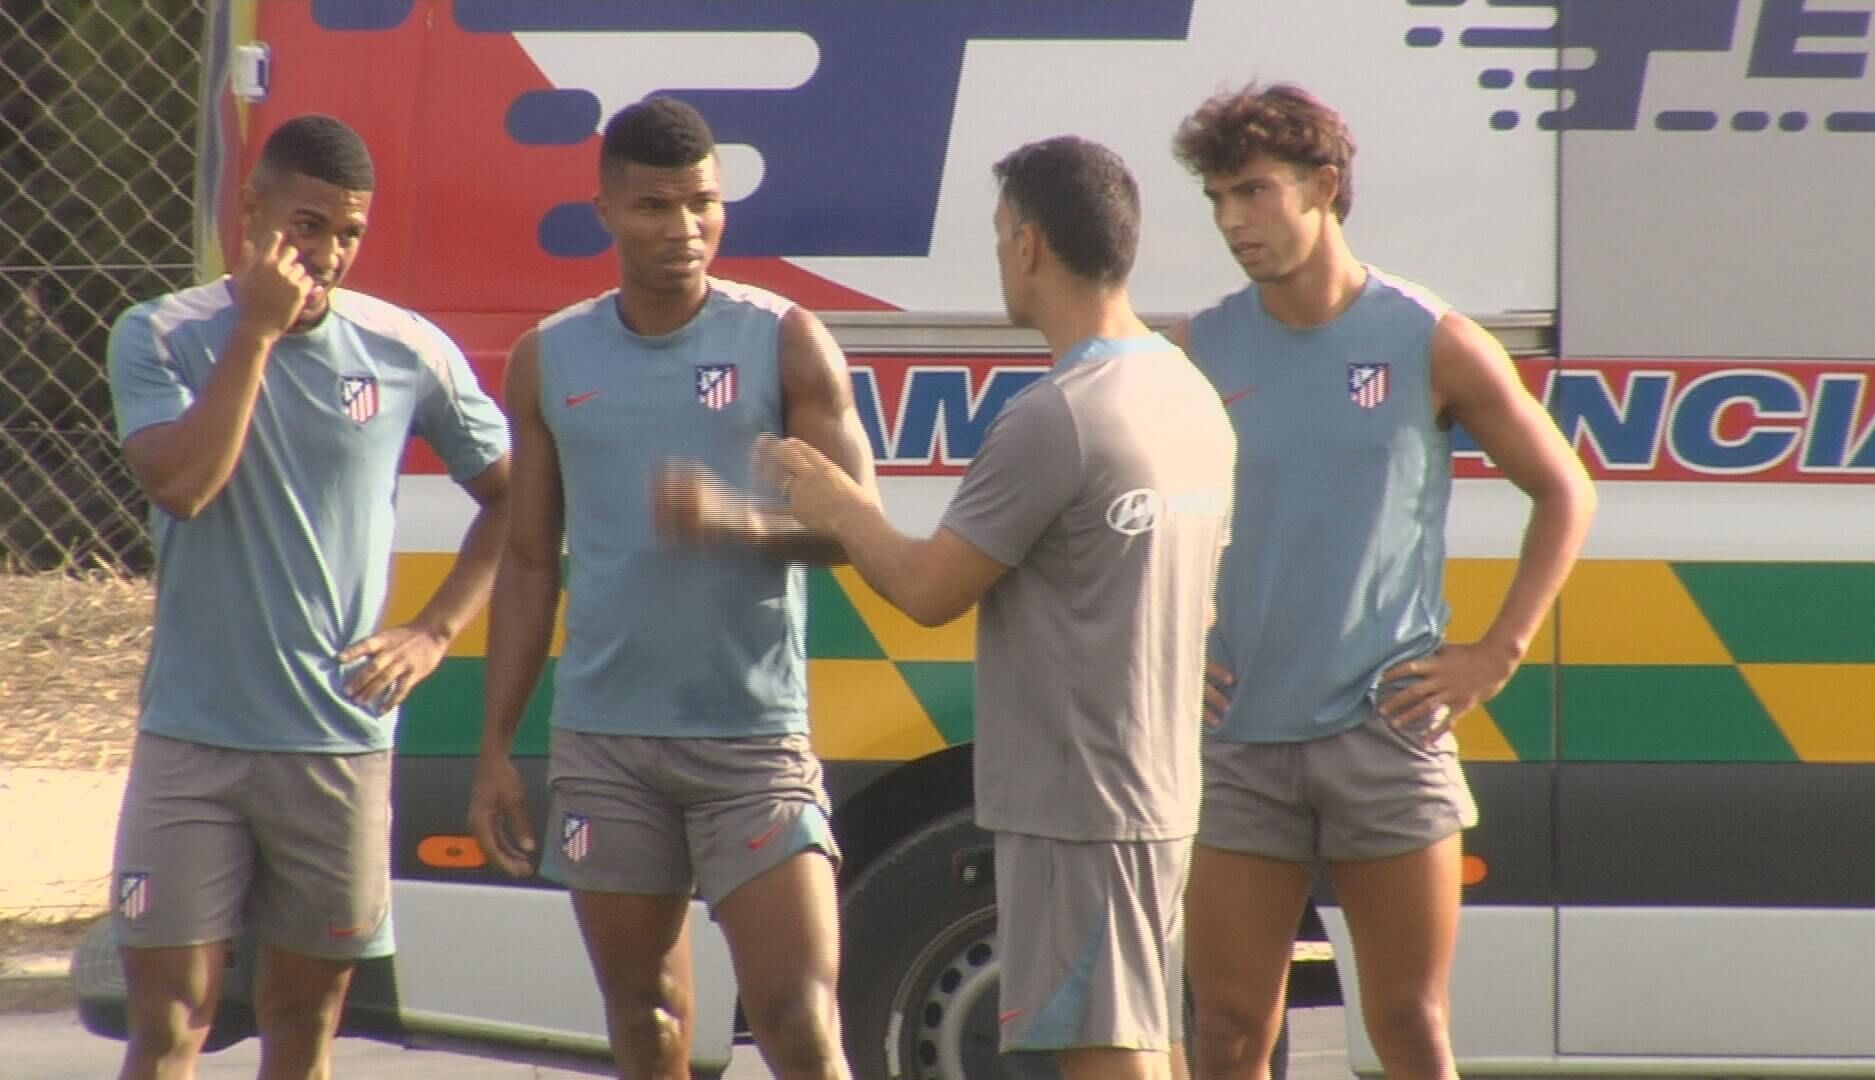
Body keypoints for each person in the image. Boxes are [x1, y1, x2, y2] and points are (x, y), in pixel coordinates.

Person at [766, 135, 1235, 1080]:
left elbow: (929, 590)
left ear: (1028, 244)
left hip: (1078, 801)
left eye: (996, 235)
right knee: (1152, 1039)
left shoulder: (1057, 414)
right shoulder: (1184, 389)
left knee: (1105, 1052)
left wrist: (839, 506)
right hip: (1154, 786)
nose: (998, 256)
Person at [1167, 84, 1597, 1080]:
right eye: (1218, 199)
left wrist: (1496, 654)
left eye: (1255, 193)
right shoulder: (1200, 346)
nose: (1234, 221)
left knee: (1409, 1027)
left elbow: (1564, 493)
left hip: (1387, 733)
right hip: (1237, 740)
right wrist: (1172, 647)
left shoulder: (1429, 338)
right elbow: (1139, 524)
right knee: (1229, 1029)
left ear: (1325, 188)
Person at [464, 97, 874, 1080]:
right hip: (606, 744)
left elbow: (861, 541)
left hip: (751, 740)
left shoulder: (785, 340)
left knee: (797, 1016)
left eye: (702, 204)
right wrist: (494, 749)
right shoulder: (549, 358)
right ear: (603, 210)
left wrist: (727, 524)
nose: (683, 230)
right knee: (645, 1020)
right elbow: (527, 564)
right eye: (654, 206)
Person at [104, 114, 512, 1080]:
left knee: (303, 1023)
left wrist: (434, 629)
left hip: (337, 745)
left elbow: (516, 501)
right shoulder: (160, 334)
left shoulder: (405, 348)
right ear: (249, 209)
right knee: (169, 1023)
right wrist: (254, 331)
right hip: (192, 739)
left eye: (348, 234)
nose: (325, 255)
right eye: (306, 225)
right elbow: (184, 485)